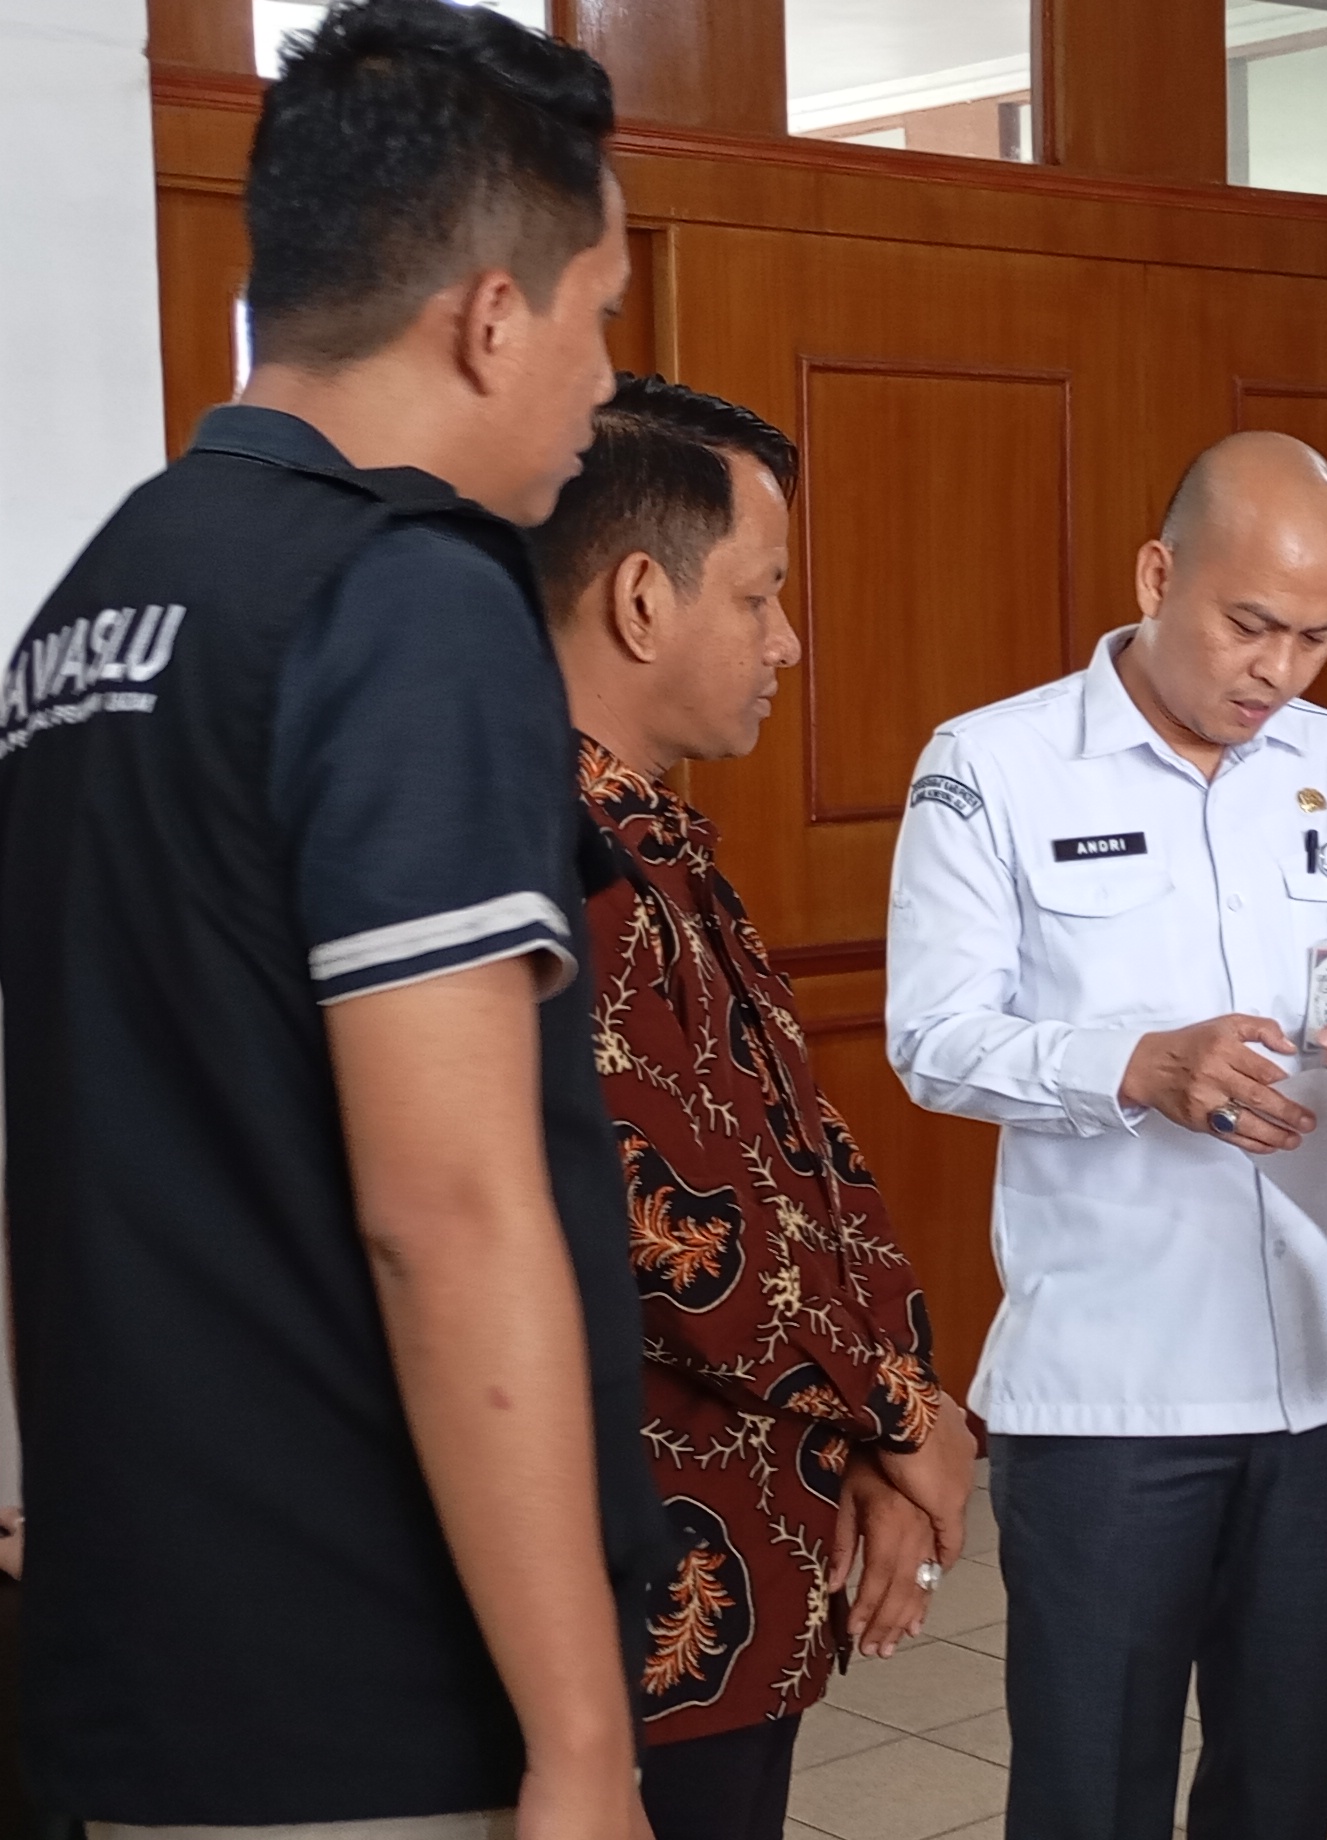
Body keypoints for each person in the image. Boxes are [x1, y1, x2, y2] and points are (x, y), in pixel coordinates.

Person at [0, 3, 663, 1835]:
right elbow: (444, 1209)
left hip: (152, 1663)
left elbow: (150, 1131)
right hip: (365, 1688)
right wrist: (582, 1745)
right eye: (598, 312)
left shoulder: (98, 606)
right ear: (490, 314)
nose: (606, 381)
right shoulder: (410, 599)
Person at [884, 432, 1327, 1839]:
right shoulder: (996, 766)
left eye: (1316, 637)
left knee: (1283, 1795)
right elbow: (933, 1036)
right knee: (1091, 1795)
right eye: (1249, 624)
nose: (1278, 672)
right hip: (1115, 1400)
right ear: (1159, 573)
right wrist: (1134, 1068)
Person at [534, 376, 976, 1840]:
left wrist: (888, 1424)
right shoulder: (543, 852)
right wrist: (902, 1414)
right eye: (762, 595)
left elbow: (800, 1168)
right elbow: (671, 1227)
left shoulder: (658, 839)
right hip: (644, 1578)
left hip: (755, 1550)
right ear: (644, 599)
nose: (789, 640)